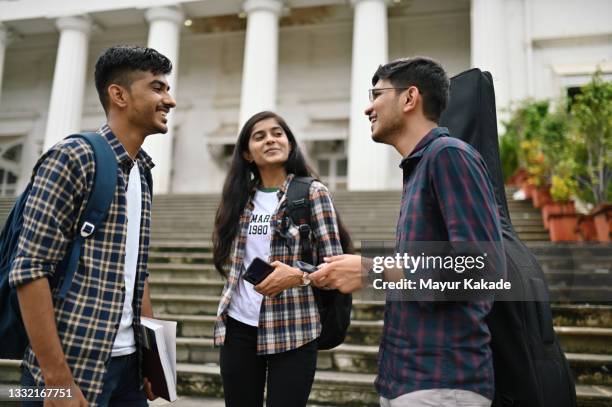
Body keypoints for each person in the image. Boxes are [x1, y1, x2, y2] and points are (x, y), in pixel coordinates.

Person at [310, 57, 502, 406]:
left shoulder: (449, 156)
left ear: (409, 98)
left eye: (377, 94)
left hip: (442, 382)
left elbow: (480, 269)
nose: (368, 108)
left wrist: (370, 270)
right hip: (409, 378)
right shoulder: (420, 166)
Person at [9, 45, 177, 406]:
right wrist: (57, 381)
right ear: (119, 95)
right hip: (68, 369)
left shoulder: (142, 172)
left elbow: (139, 271)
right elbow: (30, 270)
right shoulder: (73, 157)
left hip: (129, 370)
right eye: (158, 88)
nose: (170, 100)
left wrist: (151, 362)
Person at [212, 111, 352, 407]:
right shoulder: (239, 199)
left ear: (290, 143)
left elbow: (337, 265)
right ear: (247, 154)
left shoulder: (312, 193)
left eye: (278, 133)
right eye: (259, 136)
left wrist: (299, 275)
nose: (271, 140)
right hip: (238, 327)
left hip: (294, 327)